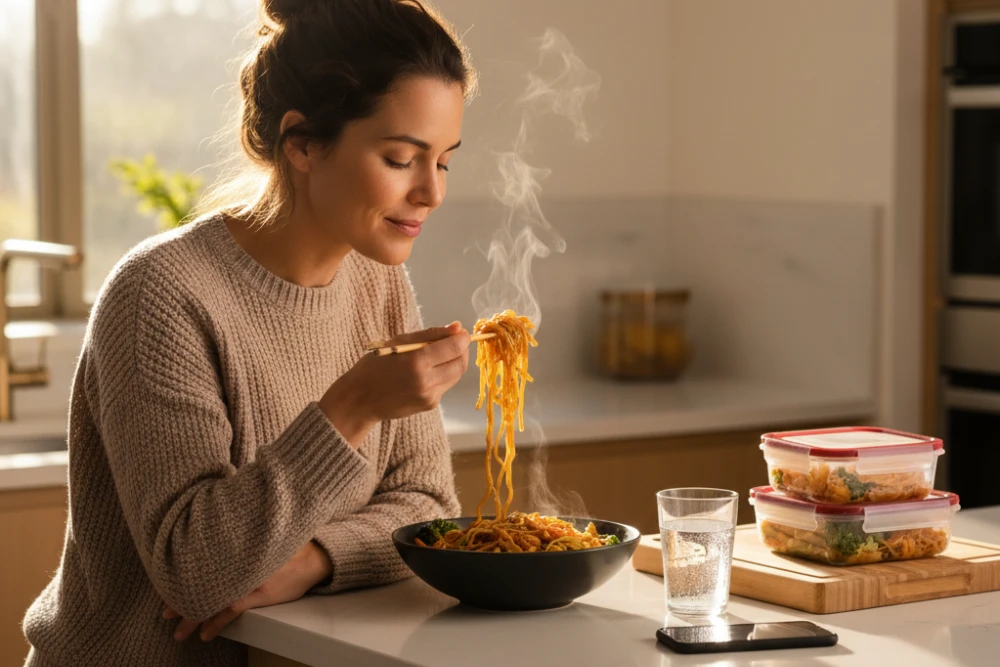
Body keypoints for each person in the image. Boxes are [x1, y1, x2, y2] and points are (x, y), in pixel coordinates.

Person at [23, 1, 477, 664]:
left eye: (444, 161)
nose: (431, 192)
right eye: (401, 158)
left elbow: (427, 507)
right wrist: (351, 406)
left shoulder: (378, 285)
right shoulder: (161, 293)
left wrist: (313, 559)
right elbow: (197, 573)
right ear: (301, 143)